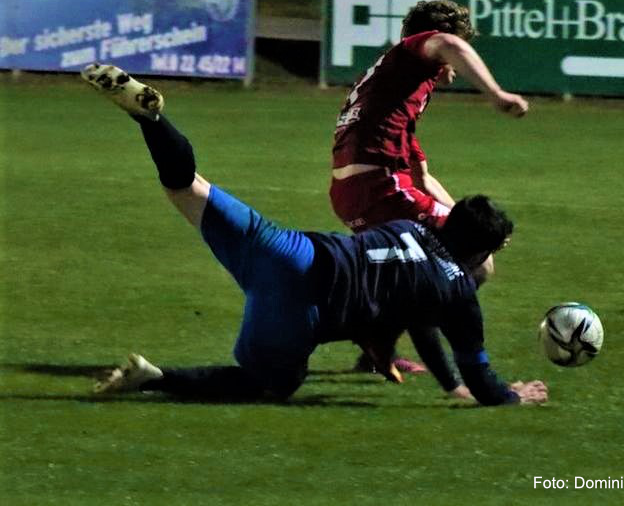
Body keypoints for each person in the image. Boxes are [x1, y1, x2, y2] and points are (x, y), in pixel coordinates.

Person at [83, 63, 547, 407]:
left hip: (289, 249)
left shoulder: (409, 227)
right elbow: (477, 373)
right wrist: (510, 395)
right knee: (272, 385)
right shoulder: (457, 292)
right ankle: (153, 378)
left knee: (187, 188)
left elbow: (417, 315)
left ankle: (153, 122)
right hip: (302, 307)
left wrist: (413, 362)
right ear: (480, 250)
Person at [330, 0, 529, 377]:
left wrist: (474, 226)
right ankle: (410, 347)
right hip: (380, 187)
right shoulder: (410, 57)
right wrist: (497, 95)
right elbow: (449, 44)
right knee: (477, 263)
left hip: (353, 190)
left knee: (417, 266)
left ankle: (375, 348)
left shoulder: (395, 90)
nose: (455, 61)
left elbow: (423, 178)